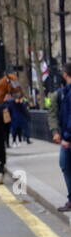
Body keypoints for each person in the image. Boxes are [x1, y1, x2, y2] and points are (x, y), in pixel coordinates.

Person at [50, 65, 71, 212]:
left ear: (64, 74)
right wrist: (55, 131)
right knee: (65, 165)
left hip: (68, 138)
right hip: (66, 136)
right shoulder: (63, 93)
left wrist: (67, 137)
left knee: (66, 165)